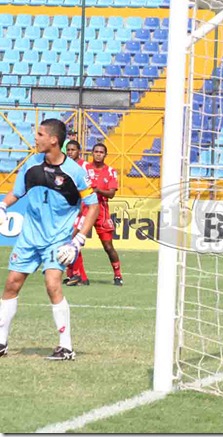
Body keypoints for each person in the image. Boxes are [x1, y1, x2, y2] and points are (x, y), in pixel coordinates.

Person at [0, 119, 99, 360]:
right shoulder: (31, 164)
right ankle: (1, 343)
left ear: (53, 140)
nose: (36, 137)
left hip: (57, 240)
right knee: (12, 283)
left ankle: (66, 347)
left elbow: (93, 205)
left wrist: (78, 241)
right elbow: (17, 192)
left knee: (52, 285)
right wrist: (3, 205)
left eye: (40, 134)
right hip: (29, 237)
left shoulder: (74, 172)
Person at [69, 143, 123, 287]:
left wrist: (98, 190)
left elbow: (111, 194)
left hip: (101, 212)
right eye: (96, 151)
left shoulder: (110, 171)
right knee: (73, 239)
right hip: (85, 209)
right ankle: (78, 276)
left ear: (105, 155)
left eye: (101, 152)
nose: (98, 154)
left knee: (108, 246)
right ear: (92, 153)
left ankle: (118, 275)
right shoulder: (84, 168)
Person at [64, 140, 90, 286]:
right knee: (69, 239)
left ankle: (76, 275)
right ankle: (80, 276)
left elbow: (89, 187)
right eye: (68, 149)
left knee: (72, 239)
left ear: (79, 151)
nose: (70, 152)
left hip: (83, 208)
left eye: (73, 150)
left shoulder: (85, 166)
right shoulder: (65, 165)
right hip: (70, 208)